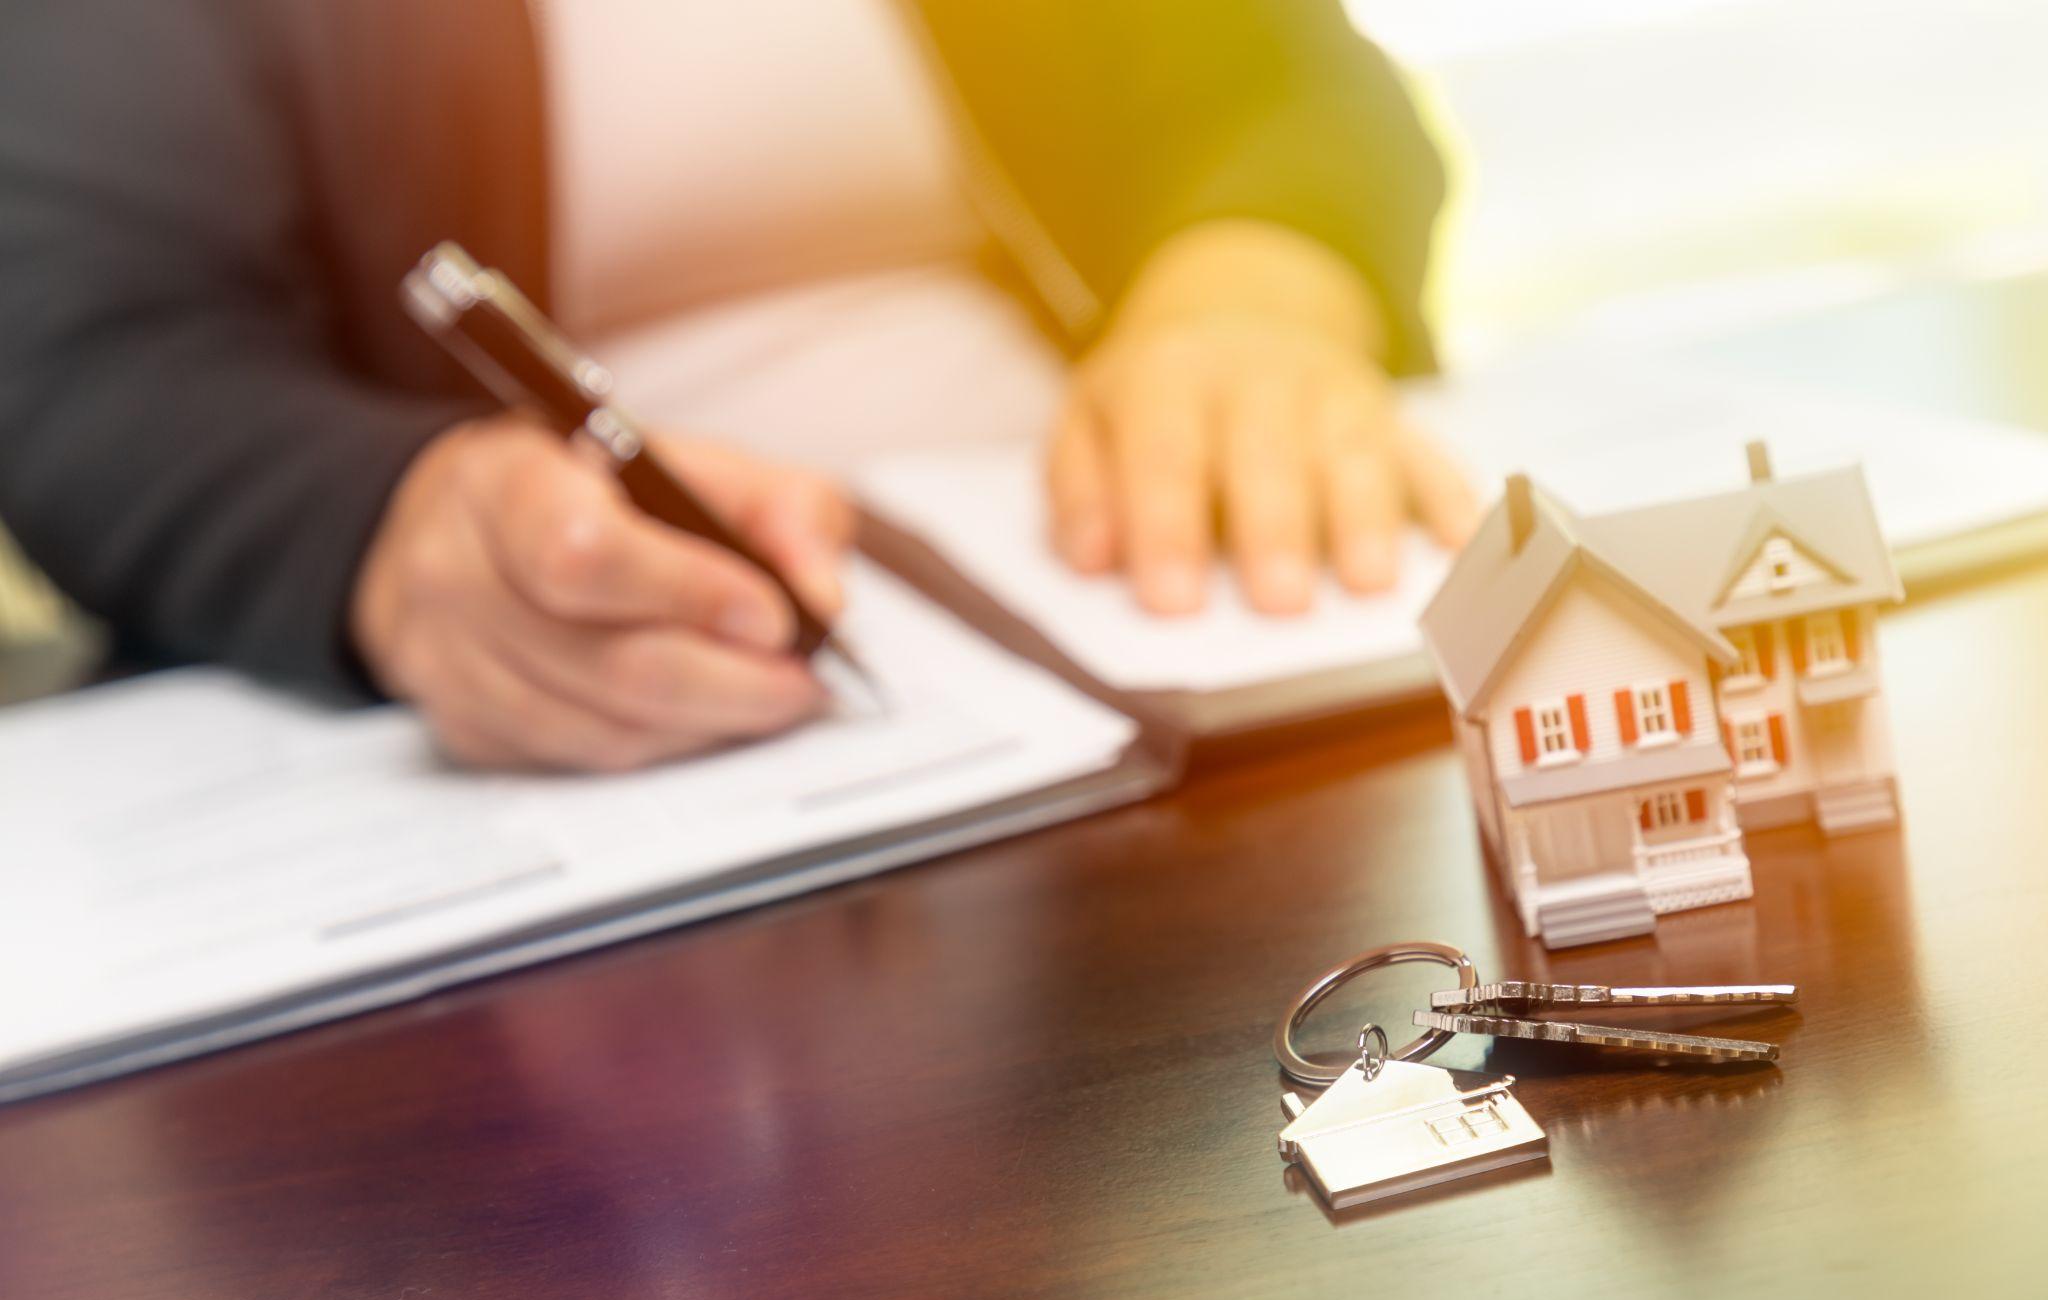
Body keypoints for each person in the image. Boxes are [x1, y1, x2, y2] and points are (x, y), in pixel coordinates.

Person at [0, 0, 1470, 771]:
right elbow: (78, 349)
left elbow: (1292, 88)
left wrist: (1259, 286)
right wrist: (387, 522)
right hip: (625, 767)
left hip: (1179, 655)